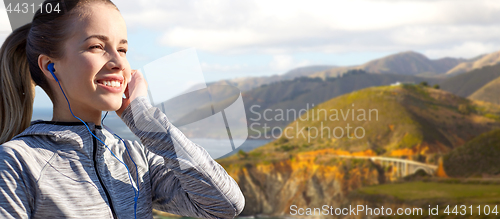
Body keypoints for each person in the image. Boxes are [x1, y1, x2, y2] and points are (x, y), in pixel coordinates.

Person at [0, 0, 245, 218]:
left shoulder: (136, 158)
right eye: (97, 46)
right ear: (50, 65)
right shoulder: (17, 162)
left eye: (122, 50)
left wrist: (144, 119)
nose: (118, 62)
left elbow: (224, 206)